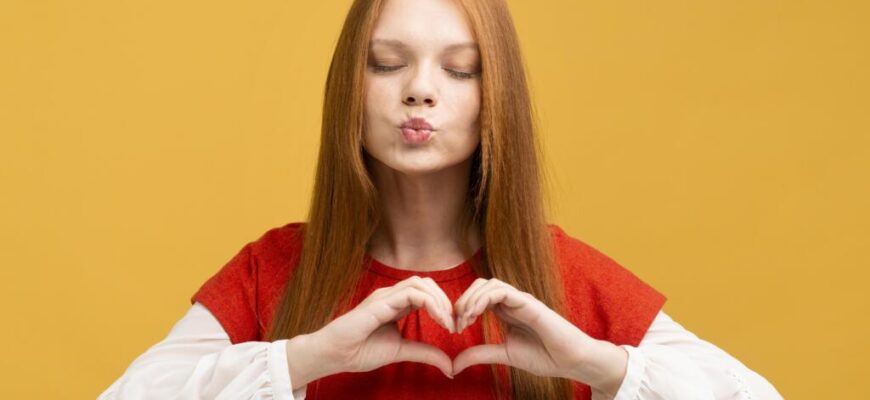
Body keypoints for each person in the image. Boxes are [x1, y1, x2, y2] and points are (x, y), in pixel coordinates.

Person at [98, 0, 784, 399]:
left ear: (496, 97)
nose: (419, 91)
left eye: (460, 70)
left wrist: (595, 365)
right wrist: (301, 359)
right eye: (387, 63)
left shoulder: (562, 277)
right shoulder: (272, 270)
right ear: (349, 87)